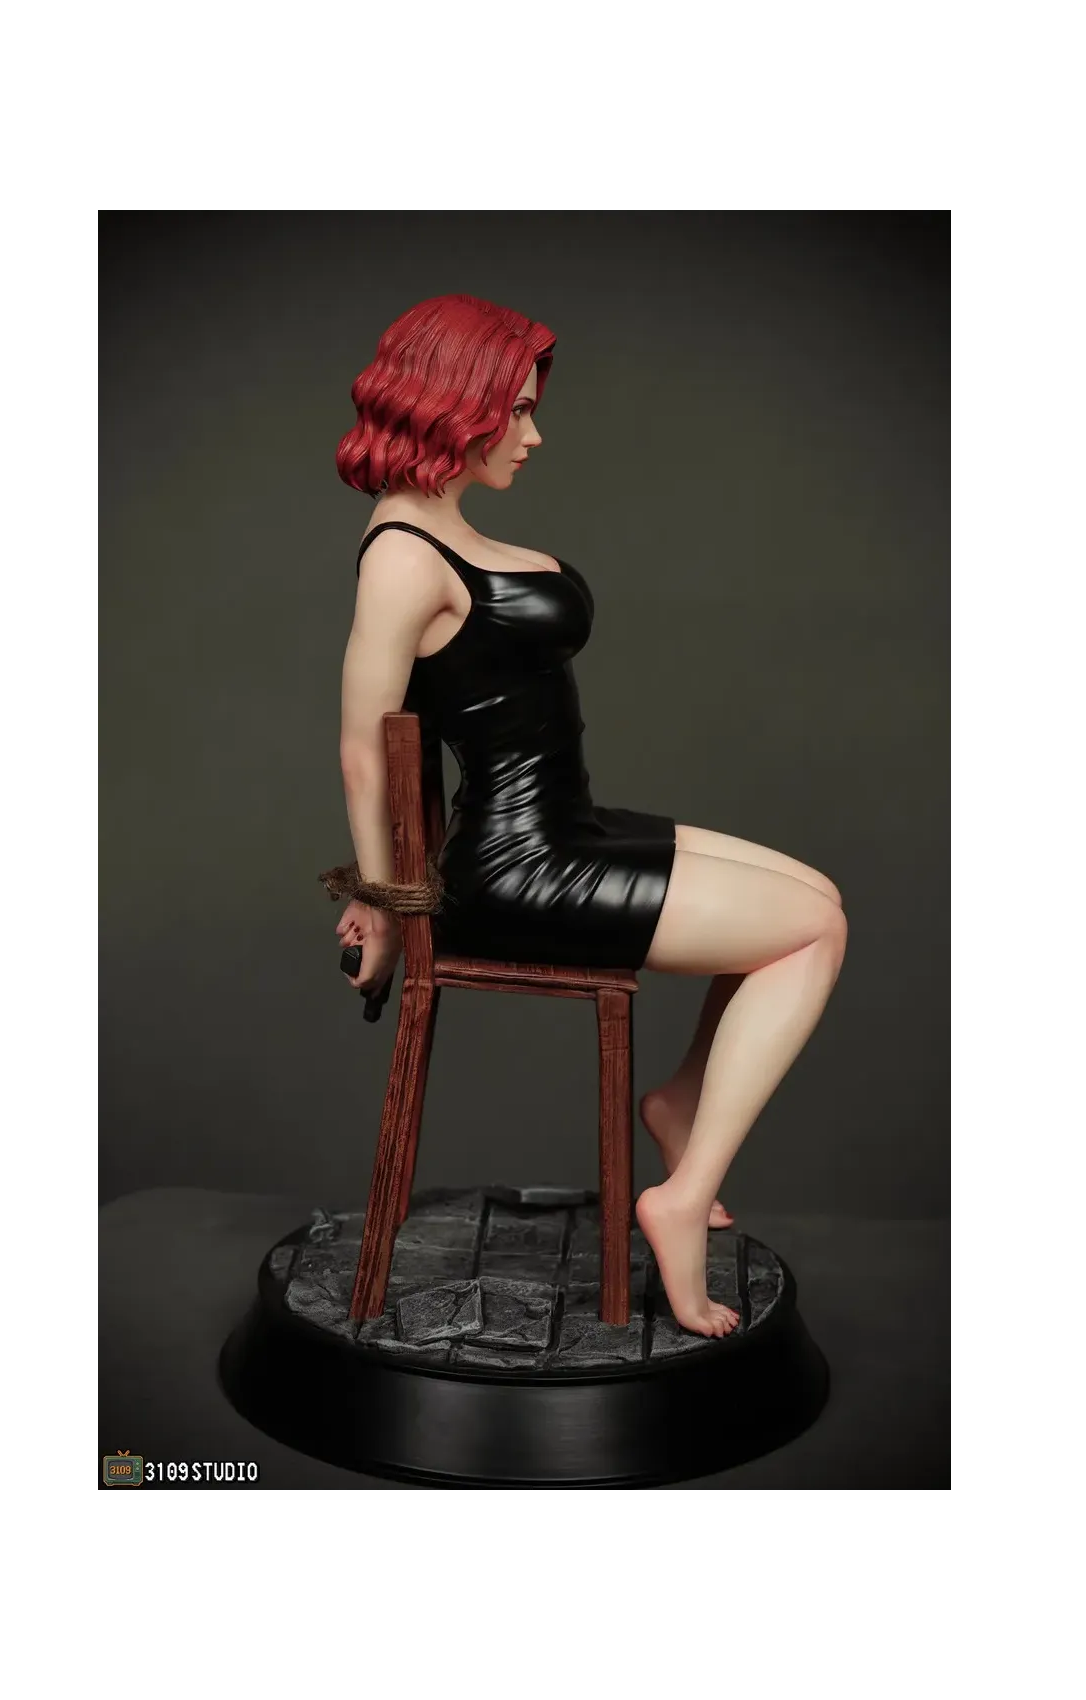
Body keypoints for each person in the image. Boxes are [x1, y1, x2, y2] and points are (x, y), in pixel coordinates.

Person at [329, 293, 848, 1338]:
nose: (533, 435)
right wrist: (385, 904)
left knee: (817, 898)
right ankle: (682, 1195)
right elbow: (362, 744)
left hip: (567, 826)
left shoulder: (438, 533)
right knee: (810, 934)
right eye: (515, 411)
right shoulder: (401, 555)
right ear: (456, 403)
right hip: (521, 868)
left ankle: (677, 1106)